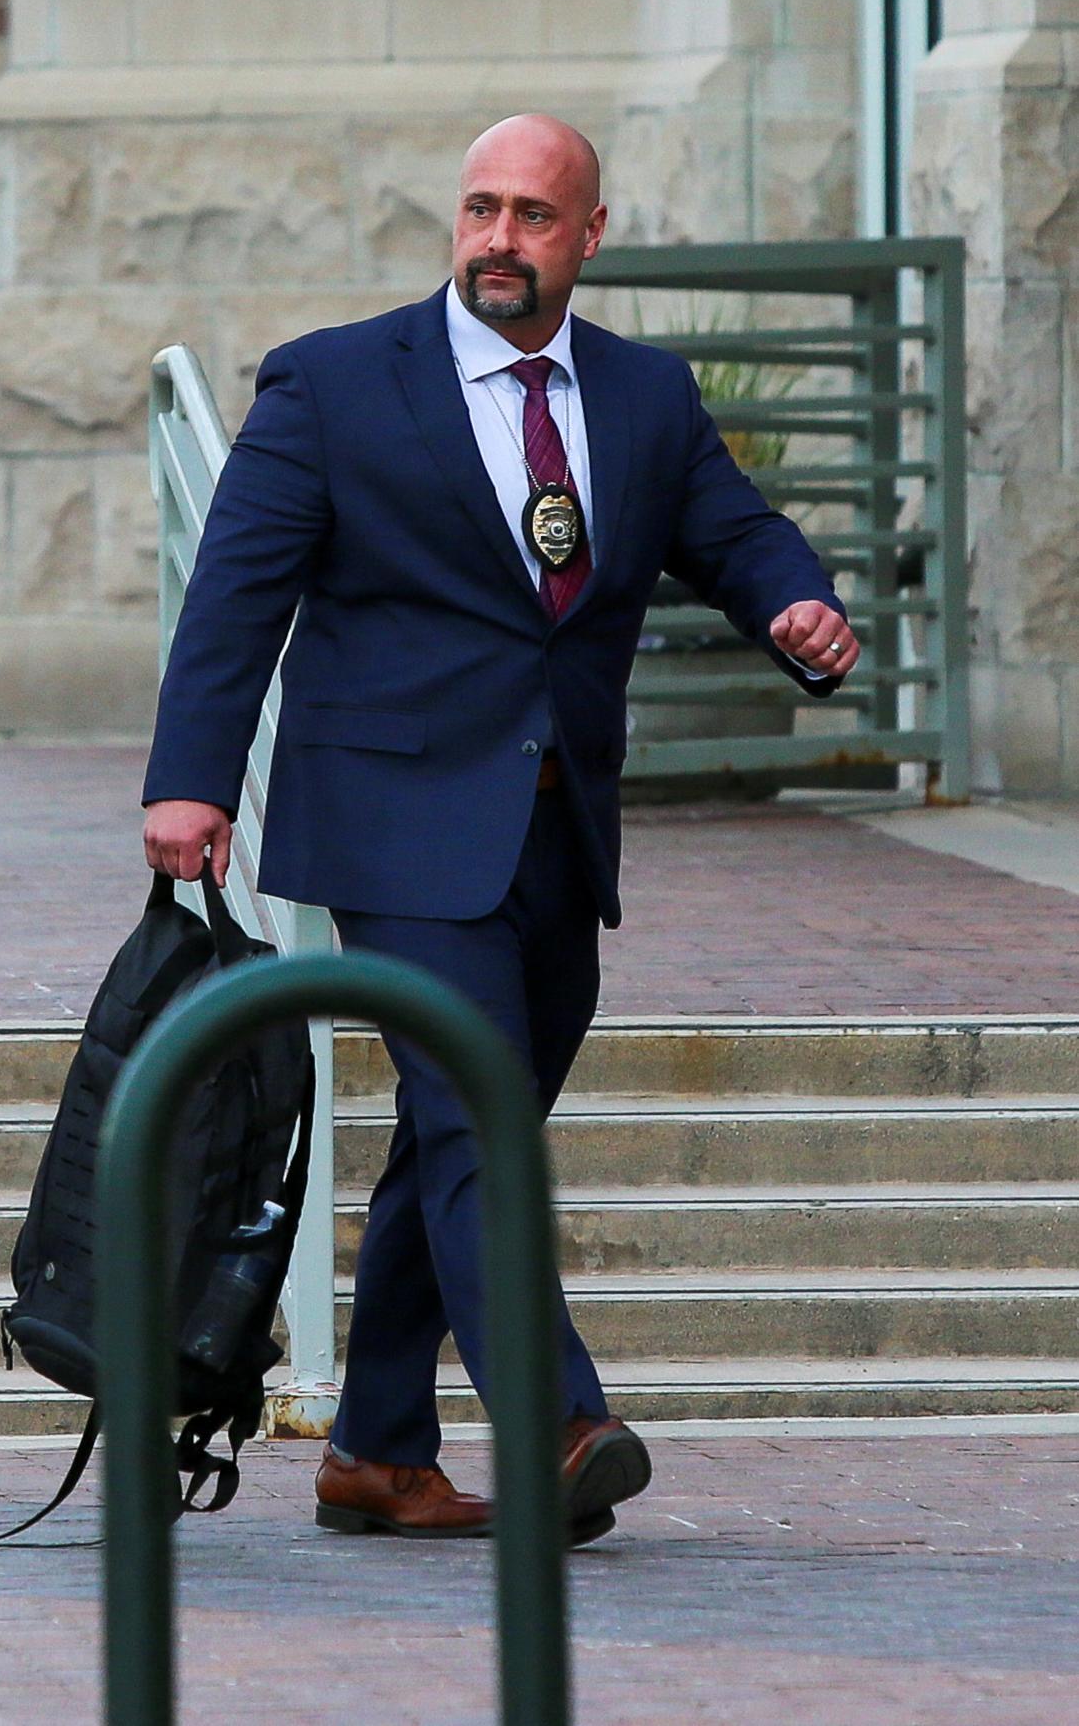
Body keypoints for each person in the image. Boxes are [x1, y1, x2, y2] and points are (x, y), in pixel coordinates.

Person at [142, 114, 859, 1546]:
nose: (498, 240)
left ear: (587, 237)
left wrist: (793, 600)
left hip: (555, 836)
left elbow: (735, 529)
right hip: (395, 823)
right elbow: (235, 592)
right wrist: (190, 778)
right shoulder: (338, 382)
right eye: (479, 209)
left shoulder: (644, 398)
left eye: (534, 216)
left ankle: (374, 1449)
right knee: (475, 1116)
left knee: (456, 1131)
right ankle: (559, 1423)